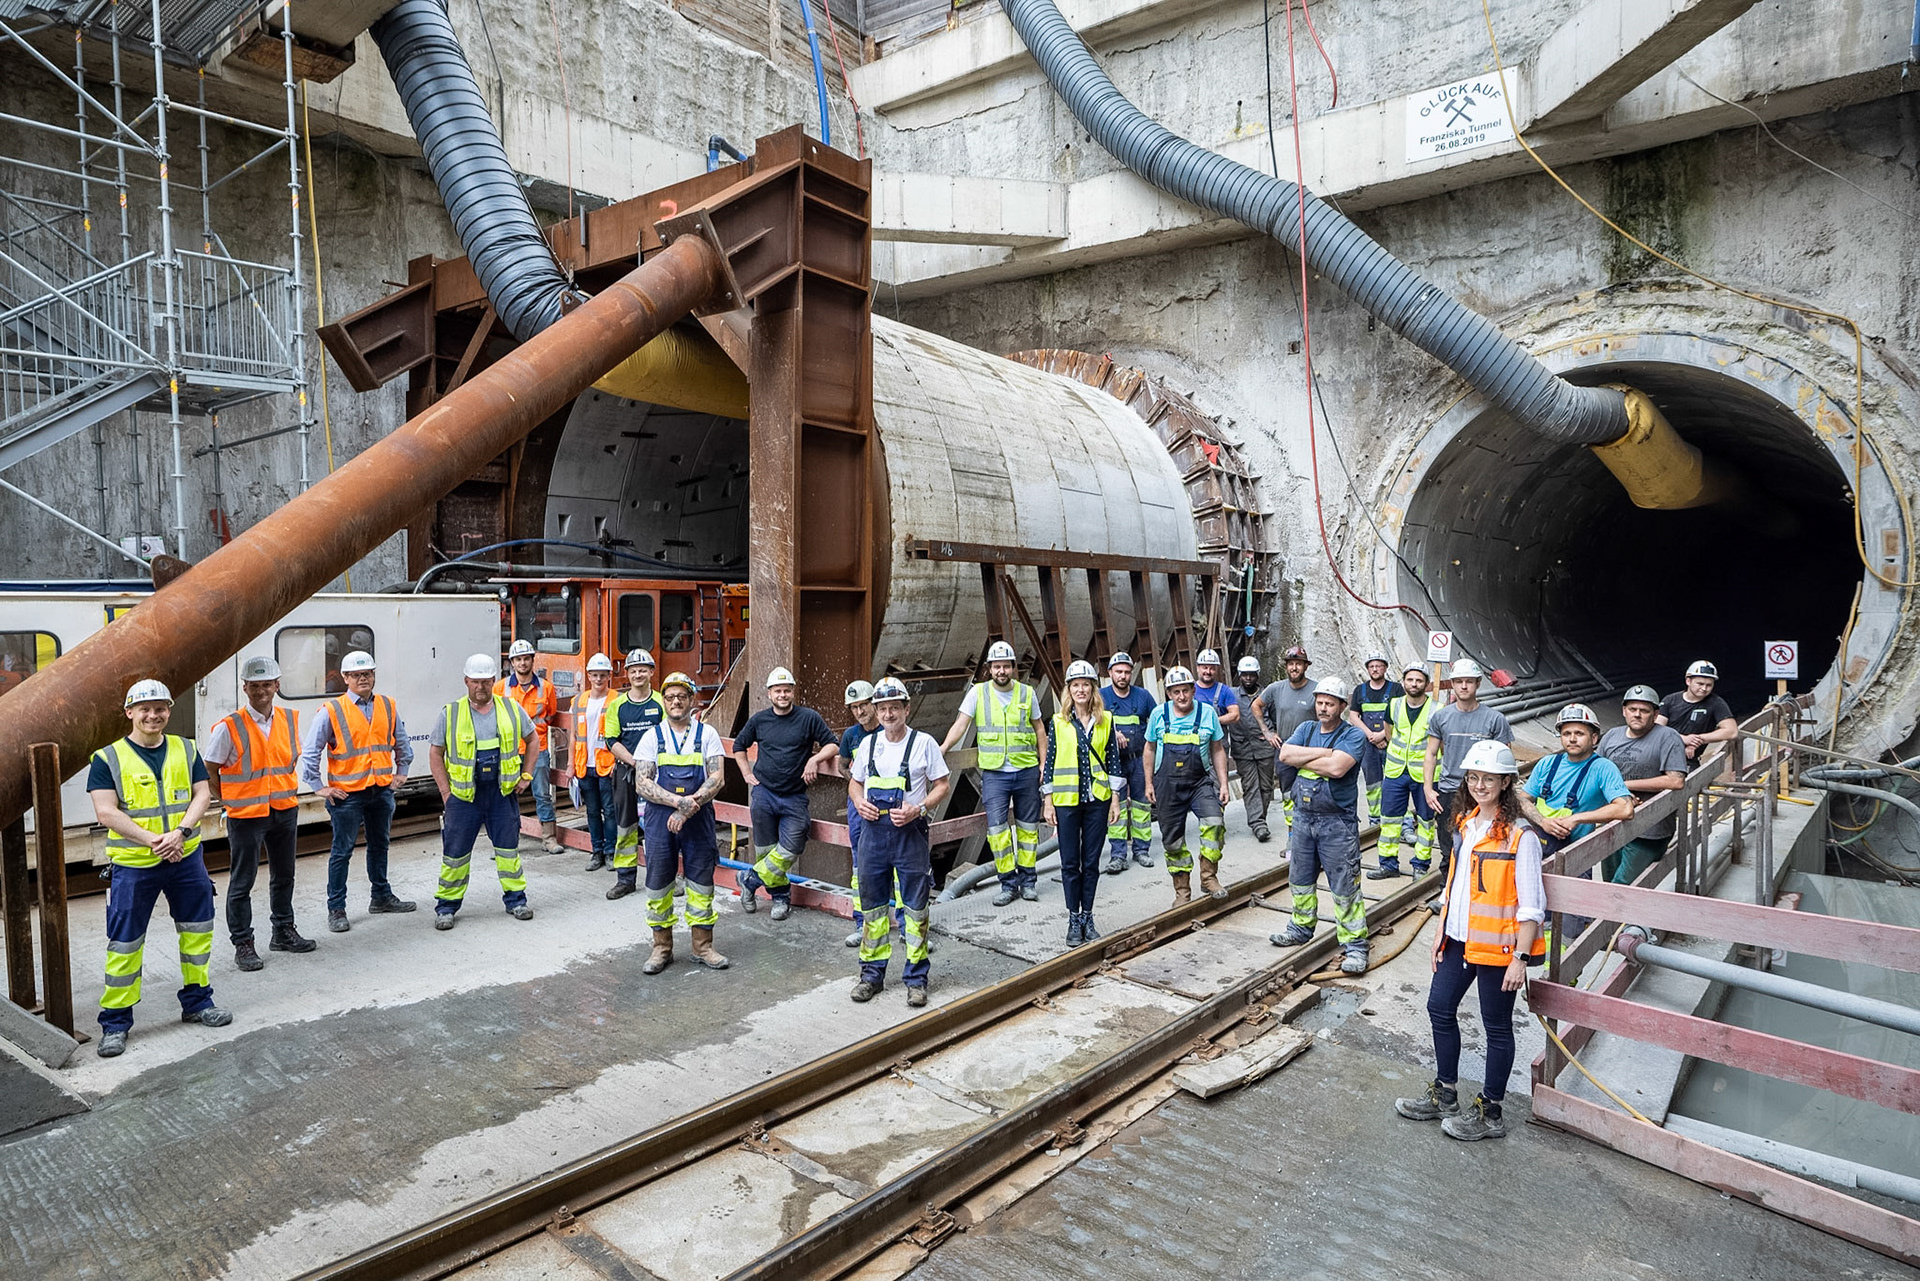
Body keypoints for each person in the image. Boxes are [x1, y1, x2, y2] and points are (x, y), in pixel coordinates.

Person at [1394, 740, 1544, 1141]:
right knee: (1439, 1008)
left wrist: (1521, 958)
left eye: (1489, 778)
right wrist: (1439, 933)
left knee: (1496, 1026)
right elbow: (1454, 887)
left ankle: (1490, 1112)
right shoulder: (1466, 824)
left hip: (1499, 947)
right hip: (1458, 940)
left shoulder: (1520, 836)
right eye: (1474, 777)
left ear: (1506, 782)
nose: (1480, 785)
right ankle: (1445, 1094)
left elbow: (1532, 905)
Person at [89, 679, 232, 1057]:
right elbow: (105, 811)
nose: (153, 715)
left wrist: (181, 833)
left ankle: (198, 1002)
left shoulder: (186, 748)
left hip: (186, 858)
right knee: (125, 943)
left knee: (197, 931)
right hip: (134, 865)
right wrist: (155, 840)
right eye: (145, 709)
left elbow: (203, 793)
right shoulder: (108, 758)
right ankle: (115, 1023)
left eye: (160, 708)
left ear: (168, 710)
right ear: (129, 713)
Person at [849, 677, 952, 1006]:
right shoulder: (868, 745)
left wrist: (918, 808)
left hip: (910, 835)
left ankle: (917, 979)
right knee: (873, 909)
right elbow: (855, 783)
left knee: (916, 909)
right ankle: (871, 976)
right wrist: (858, 802)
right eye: (883, 709)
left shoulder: (924, 743)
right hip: (873, 836)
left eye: (894, 708)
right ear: (876, 711)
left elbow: (942, 784)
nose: (888, 714)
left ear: (907, 709)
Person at [298, 648, 416, 933]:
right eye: (356, 675)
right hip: (347, 795)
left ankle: (381, 896)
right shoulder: (332, 710)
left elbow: (401, 742)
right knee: (342, 851)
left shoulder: (387, 705)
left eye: (367, 673)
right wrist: (319, 787)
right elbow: (311, 752)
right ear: (345, 678)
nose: (363, 678)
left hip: (381, 790)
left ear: (373, 675)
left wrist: (402, 771)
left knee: (380, 845)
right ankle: (336, 908)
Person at [205, 656, 312, 971]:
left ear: (277, 685)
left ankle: (283, 931)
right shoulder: (230, 726)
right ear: (245, 688)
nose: (261, 691)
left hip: (284, 810)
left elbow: (289, 762)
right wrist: (229, 801)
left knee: (285, 875)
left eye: (267, 684)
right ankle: (243, 944)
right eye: (255, 685)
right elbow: (210, 770)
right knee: (242, 882)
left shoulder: (289, 720)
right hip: (246, 816)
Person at [427, 654, 538, 930]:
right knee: (455, 854)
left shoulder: (510, 708)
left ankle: (516, 900)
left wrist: (526, 775)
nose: (480, 687)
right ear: (466, 681)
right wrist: (445, 792)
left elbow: (533, 739)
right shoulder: (451, 713)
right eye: (475, 682)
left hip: (501, 794)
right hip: (464, 797)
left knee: (508, 850)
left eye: (486, 682)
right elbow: (435, 752)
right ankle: (446, 906)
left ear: (493, 681)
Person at [1268, 678, 1371, 974]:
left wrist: (1305, 759)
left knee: (1345, 886)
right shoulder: (1306, 729)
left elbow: (1337, 769)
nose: (1323, 708)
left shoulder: (1353, 735)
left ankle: (1355, 945)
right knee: (1299, 880)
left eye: (1330, 703)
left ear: (1342, 706)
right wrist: (1325, 754)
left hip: (1336, 823)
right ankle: (1300, 928)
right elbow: (1285, 755)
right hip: (1303, 819)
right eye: (1320, 702)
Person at [633, 672, 729, 973]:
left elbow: (717, 778)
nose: (676, 701)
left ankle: (703, 947)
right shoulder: (652, 737)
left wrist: (689, 808)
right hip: (661, 817)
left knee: (701, 881)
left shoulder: (707, 734)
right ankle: (661, 948)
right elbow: (642, 782)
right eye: (670, 697)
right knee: (659, 881)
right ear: (664, 701)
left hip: (698, 818)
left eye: (682, 696)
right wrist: (678, 803)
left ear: (691, 700)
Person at [942, 640, 1048, 906]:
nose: (1001, 671)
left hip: (1026, 770)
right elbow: (960, 725)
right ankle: (1008, 884)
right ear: (989, 668)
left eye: (1006, 666)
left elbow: (1039, 729)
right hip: (995, 774)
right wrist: (942, 748)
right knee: (997, 830)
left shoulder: (1027, 693)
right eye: (997, 666)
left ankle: (1028, 882)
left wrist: (1043, 764)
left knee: (1028, 829)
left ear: (1013, 668)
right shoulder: (978, 693)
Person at [734, 667, 837, 920]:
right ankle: (780, 898)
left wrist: (814, 760)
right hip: (764, 794)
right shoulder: (759, 720)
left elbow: (833, 744)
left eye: (787, 690)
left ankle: (749, 879)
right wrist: (746, 773)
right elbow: (739, 746)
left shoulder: (808, 718)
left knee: (793, 844)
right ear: (769, 694)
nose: (783, 695)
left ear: (793, 692)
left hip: (794, 796)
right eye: (778, 691)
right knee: (766, 851)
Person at [1045, 660, 1122, 946]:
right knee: (1069, 863)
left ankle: (1088, 916)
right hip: (1066, 800)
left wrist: (1115, 800)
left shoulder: (1106, 720)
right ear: (1069, 690)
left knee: (1091, 862)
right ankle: (1073, 918)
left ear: (1093, 689)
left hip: (1097, 800)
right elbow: (1050, 763)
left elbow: (1113, 761)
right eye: (1075, 685)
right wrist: (1048, 801)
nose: (1080, 690)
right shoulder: (1058, 722)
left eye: (1085, 685)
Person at [1143, 666, 1231, 905]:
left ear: (1193, 690)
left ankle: (1208, 877)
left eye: (1185, 690)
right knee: (1172, 840)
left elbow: (1217, 749)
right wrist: (1149, 783)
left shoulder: (1207, 713)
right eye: (1176, 692)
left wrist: (1224, 783)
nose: (1181, 696)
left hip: (1199, 782)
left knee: (1214, 823)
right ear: (1169, 694)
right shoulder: (1159, 715)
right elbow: (1149, 749)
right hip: (1167, 784)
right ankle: (1182, 892)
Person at [1597, 686, 1689, 884]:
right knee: (1608, 883)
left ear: (1655, 715)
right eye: (1632, 709)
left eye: (1644, 710)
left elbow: (1675, 780)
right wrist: (1619, 794)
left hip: (1650, 830)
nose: (1637, 714)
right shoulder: (1612, 736)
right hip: (1613, 824)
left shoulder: (1668, 737)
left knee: (1622, 885)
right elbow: (1595, 774)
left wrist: (1623, 786)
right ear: (1624, 711)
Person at [1520, 704, 1633, 857]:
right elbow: (1522, 800)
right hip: (1536, 849)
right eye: (1566, 734)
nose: (1572, 739)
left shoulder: (1603, 768)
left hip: (1576, 855)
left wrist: (1576, 819)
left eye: (1579, 733)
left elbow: (1625, 809)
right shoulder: (1547, 763)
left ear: (1594, 738)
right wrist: (1542, 821)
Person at [603, 649, 665, 898]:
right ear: (627, 674)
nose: (638, 674)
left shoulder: (661, 702)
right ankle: (625, 879)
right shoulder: (617, 706)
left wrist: (651, 765)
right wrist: (635, 762)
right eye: (633, 670)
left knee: (658, 824)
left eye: (643, 670)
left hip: (658, 773)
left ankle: (662, 877)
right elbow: (611, 740)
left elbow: (668, 734)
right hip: (626, 773)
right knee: (626, 826)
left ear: (651, 672)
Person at [836, 680, 892, 949]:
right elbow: (842, 765)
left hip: (890, 803)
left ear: (875, 704)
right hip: (859, 805)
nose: (860, 711)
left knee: (898, 861)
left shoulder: (890, 730)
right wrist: (858, 785)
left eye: (864, 705)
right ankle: (863, 923)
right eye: (854, 707)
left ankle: (904, 923)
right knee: (861, 863)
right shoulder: (851, 736)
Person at [1423, 659, 1512, 825]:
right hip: (1450, 791)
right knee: (1449, 839)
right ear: (1452, 684)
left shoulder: (1495, 719)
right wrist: (1428, 788)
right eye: (1459, 681)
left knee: (1484, 838)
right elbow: (1431, 753)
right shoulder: (1441, 717)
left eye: (1469, 681)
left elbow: (1505, 760)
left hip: (1483, 791)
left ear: (1478, 683)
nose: (1464, 686)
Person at [1371, 662, 1437, 881]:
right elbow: (1389, 733)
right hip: (1396, 771)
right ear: (1404, 682)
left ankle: (1421, 865)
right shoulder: (1394, 704)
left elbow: (1440, 744)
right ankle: (1388, 864)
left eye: (1419, 680)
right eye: (1410, 680)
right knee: (1389, 819)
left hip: (1425, 775)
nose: (1414, 684)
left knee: (1426, 821)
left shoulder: (1436, 709)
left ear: (1426, 684)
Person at [496, 639, 563, 853]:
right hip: (510, 751)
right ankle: (507, 841)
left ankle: (549, 839)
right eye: (518, 659)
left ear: (533, 660)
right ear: (512, 663)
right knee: (507, 796)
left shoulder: (546, 688)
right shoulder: (501, 688)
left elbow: (550, 716)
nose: (522, 663)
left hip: (538, 750)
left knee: (542, 794)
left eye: (526, 658)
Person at [1100, 650, 1157, 874]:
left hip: (1139, 760)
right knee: (1117, 807)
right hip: (1113, 763)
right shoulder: (1100, 697)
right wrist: (1111, 732)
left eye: (1126, 672)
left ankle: (1142, 850)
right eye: (1118, 672)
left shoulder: (1143, 696)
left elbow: (1157, 721)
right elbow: (1089, 722)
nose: (1122, 676)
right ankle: (1118, 855)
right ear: (1110, 673)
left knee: (1142, 805)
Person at [1253, 645, 1318, 830]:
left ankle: (1313, 832)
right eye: (1290, 664)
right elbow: (1256, 705)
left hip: (1310, 751)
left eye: (1298, 664)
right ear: (1286, 666)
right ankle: (1292, 833)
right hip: (1285, 750)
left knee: (1312, 791)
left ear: (1306, 666)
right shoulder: (1276, 688)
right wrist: (1267, 732)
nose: (1294, 668)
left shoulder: (1317, 689)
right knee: (1288, 794)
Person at [570, 653, 619, 873]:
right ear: (588, 676)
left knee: (610, 811)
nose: (598, 679)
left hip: (607, 766)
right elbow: (573, 736)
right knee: (591, 812)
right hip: (584, 765)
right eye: (595, 675)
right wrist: (570, 764)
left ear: (609, 676)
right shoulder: (579, 701)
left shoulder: (617, 700)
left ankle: (610, 852)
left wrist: (617, 761)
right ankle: (596, 851)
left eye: (602, 675)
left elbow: (621, 735)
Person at [1348, 652, 1403, 826]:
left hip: (1391, 742)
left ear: (1385, 668)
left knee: (1395, 782)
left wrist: (1383, 735)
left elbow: (1401, 715)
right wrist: (1370, 735)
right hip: (1368, 745)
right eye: (1371, 666)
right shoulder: (1360, 690)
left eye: (1378, 666)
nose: (1375, 669)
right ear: (1367, 669)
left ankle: (1399, 819)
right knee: (1373, 784)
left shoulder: (1396, 689)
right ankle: (1375, 819)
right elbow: (1353, 716)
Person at [1228, 655, 1276, 842]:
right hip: (1242, 747)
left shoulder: (1267, 694)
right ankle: (1258, 823)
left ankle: (1260, 818)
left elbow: (1275, 716)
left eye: (1251, 674)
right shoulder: (1231, 695)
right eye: (1244, 675)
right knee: (1250, 786)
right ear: (1239, 675)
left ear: (1257, 675)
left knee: (1266, 785)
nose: (1248, 678)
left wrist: (1273, 733)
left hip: (1264, 746)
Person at [1658, 660, 1737, 769]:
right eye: (1700, 684)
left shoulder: (1716, 703)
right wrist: (1682, 739)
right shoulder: (1670, 700)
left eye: (1709, 685)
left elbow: (1731, 731)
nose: (1704, 689)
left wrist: (1698, 740)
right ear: (1688, 681)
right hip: (1660, 756)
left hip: (1689, 760)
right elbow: (1656, 729)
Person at [1191, 648, 1241, 728]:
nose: (1208, 672)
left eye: (1212, 668)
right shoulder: (1189, 690)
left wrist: (1213, 721)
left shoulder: (1224, 690)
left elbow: (1235, 715)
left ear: (1217, 670)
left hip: (1218, 734)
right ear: (1198, 668)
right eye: (1205, 667)